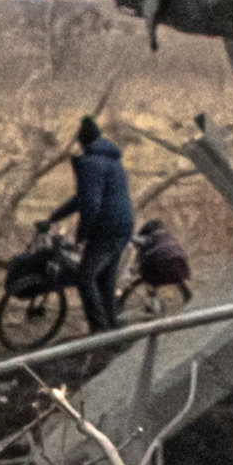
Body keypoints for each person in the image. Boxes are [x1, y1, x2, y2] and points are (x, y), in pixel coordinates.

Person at [65, 113, 138, 330]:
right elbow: (84, 198)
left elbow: (91, 205)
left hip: (106, 228)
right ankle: (113, 329)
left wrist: (81, 235)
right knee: (105, 281)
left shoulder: (89, 164)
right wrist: (56, 215)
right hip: (123, 225)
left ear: (81, 142)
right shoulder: (111, 161)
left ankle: (99, 331)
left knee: (85, 278)